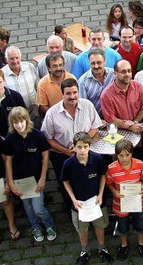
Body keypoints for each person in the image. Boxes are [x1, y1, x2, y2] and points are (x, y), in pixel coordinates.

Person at [41, 79, 102, 212]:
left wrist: (82, 144)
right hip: (63, 156)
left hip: (85, 153)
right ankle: (72, 210)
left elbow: (95, 127)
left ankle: (93, 210)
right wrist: (66, 151)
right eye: (68, 93)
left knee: (88, 182)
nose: (72, 96)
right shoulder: (52, 113)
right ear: (62, 94)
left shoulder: (87, 105)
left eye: (75, 92)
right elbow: (48, 138)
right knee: (66, 184)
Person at [4, 107, 56, 243]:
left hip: (36, 179)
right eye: (15, 123)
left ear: (27, 120)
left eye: (21, 121)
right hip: (20, 181)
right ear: (12, 124)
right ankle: (35, 226)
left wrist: (43, 178)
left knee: (38, 208)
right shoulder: (10, 139)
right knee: (28, 207)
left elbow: (45, 157)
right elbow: (8, 162)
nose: (19, 125)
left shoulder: (37, 135)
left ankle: (49, 224)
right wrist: (10, 182)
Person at [61, 132, 112, 265]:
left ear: (90, 146)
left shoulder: (97, 159)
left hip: (96, 202)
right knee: (82, 229)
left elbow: (103, 176)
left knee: (100, 225)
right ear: (74, 147)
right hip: (79, 204)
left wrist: (101, 194)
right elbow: (65, 181)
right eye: (79, 147)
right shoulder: (68, 164)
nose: (82, 150)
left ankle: (102, 247)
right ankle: (85, 250)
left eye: (85, 146)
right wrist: (73, 200)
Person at [105, 139, 143, 260]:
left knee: (140, 223)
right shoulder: (111, 168)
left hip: (137, 202)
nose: (125, 158)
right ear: (116, 155)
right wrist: (114, 192)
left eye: (128, 155)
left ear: (132, 153)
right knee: (122, 225)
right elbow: (109, 183)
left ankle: (141, 243)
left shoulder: (139, 164)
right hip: (121, 204)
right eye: (121, 155)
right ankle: (124, 244)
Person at [99, 60, 143, 134]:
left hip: (138, 131)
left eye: (129, 71)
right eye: (123, 72)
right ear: (115, 74)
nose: (127, 74)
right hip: (119, 135)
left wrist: (134, 122)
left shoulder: (138, 87)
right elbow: (111, 119)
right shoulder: (106, 95)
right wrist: (130, 126)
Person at [2, 46, 40, 124]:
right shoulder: (2, 74)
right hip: (16, 120)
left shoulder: (30, 67)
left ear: (20, 57)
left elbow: (38, 87)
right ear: (6, 59)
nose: (15, 61)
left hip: (34, 114)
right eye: (11, 58)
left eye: (17, 57)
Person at [78, 48, 115, 119]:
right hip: (93, 119)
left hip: (115, 118)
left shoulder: (113, 75)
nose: (96, 66)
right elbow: (83, 107)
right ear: (89, 63)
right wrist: (97, 121)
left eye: (99, 62)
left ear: (105, 62)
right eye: (93, 63)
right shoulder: (83, 81)